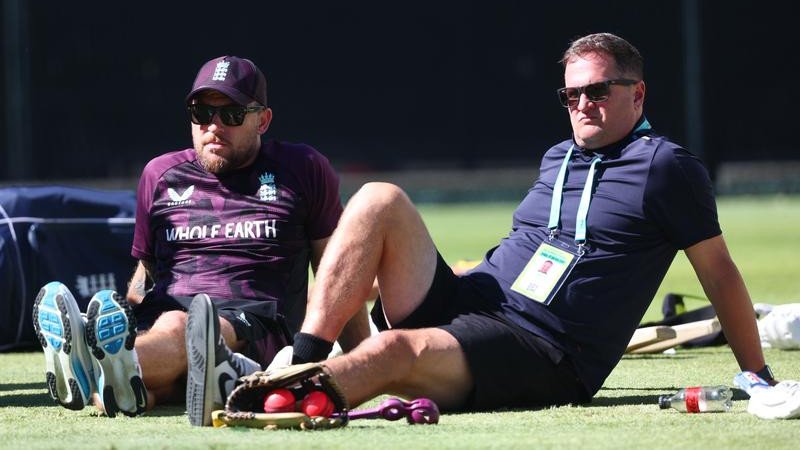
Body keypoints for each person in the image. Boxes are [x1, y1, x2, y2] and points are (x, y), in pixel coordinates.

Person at [278, 32, 774, 412]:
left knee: (393, 348)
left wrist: (756, 373)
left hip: (543, 348)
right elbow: (530, 245)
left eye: (598, 91)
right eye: (571, 95)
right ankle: (303, 358)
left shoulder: (667, 167)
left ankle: (280, 400)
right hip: (473, 303)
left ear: (638, 94)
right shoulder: (557, 156)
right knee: (377, 197)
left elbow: (718, 272)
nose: (582, 105)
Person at [32, 55, 369, 424]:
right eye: (202, 112)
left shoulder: (302, 168)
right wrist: (130, 318)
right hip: (166, 319)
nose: (214, 126)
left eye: (232, 114)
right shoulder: (160, 175)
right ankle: (112, 373)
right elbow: (146, 273)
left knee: (185, 325)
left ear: (263, 120)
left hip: (254, 325)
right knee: (116, 396)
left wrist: (365, 360)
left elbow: (337, 271)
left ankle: (89, 361)